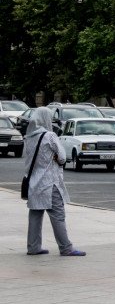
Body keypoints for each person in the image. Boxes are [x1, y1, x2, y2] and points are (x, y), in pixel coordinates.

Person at [22, 106, 84, 257]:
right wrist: (56, 158)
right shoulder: (50, 136)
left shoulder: (29, 137)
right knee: (58, 215)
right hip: (50, 184)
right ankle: (66, 247)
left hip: (33, 183)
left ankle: (33, 247)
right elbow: (62, 157)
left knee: (35, 215)